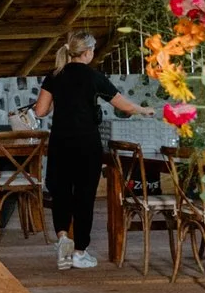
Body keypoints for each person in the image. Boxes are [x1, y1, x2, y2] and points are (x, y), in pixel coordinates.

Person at [32, 32, 142, 269]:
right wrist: (144, 110)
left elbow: (40, 111)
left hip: (60, 142)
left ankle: (62, 237)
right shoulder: (94, 77)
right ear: (88, 52)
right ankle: (80, 252)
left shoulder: (55, 76)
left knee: (61, 192)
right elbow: (124, 106)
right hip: (86, 143)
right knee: (84, 196)